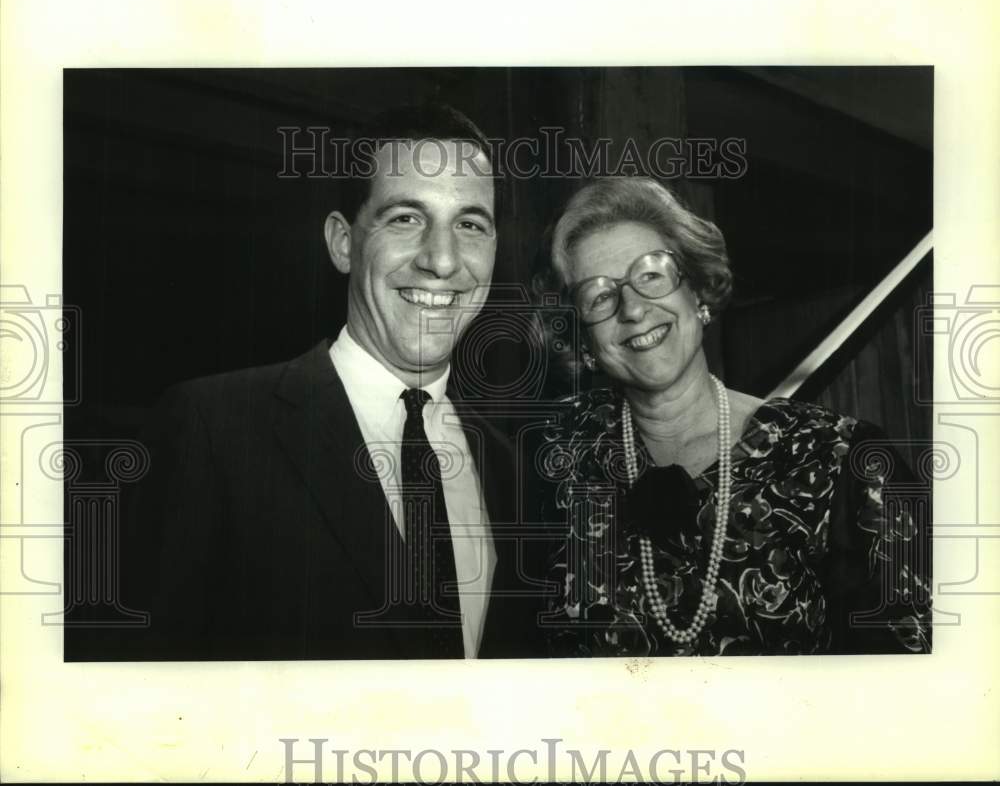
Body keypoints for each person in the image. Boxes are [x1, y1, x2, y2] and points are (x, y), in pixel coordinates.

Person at [121, 103, 541, 660]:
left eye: (469, 225)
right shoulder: (213, 428)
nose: (442, 261)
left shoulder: (513, 470)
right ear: (344, 243)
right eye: (405, 218)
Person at [534, 176, 932, 656]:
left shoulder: (841, 461)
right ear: (585, 341)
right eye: (599, 296)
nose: (634, 309)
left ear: (697, 292)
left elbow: (924, 686)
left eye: (651, 275)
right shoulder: (554, 456)